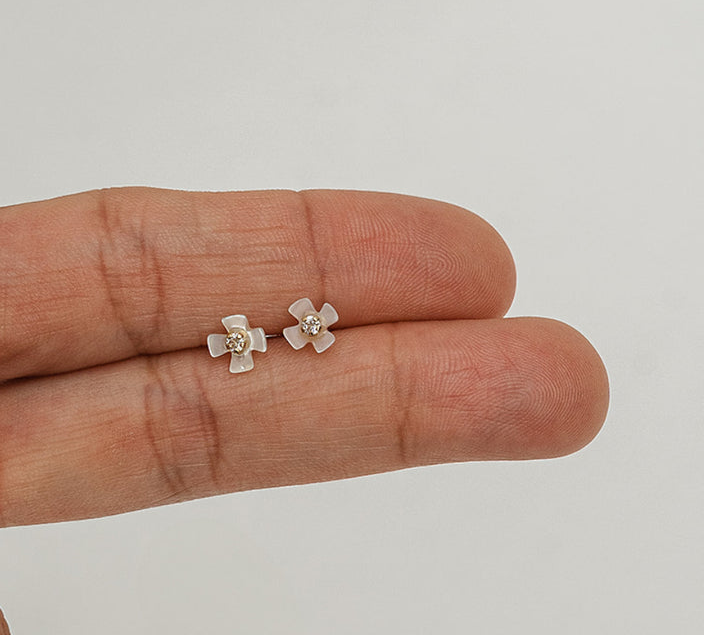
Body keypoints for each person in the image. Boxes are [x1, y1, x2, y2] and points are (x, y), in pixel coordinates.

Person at [0, 185, 608, 529]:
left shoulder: (308, 328)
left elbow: (305, 330)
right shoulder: (268, 333)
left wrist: (301, 330)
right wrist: (257, 339)